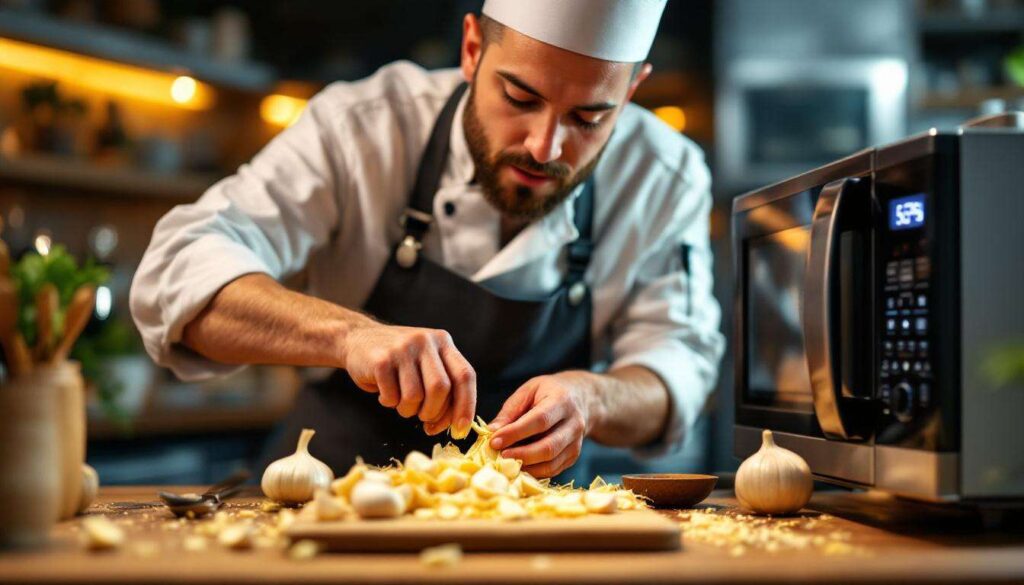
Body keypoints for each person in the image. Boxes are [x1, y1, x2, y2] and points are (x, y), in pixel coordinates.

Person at [130, 0, 725, 478]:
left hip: (542, 532)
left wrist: (592, 399)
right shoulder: (364, 126)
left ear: (631, 90)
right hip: (335, 500)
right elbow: (176, 271)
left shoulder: (664, 176)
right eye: (520, 98)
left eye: (588, 118)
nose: (546, 148)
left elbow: (679, 370)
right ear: (471, 50)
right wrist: (350, 336)